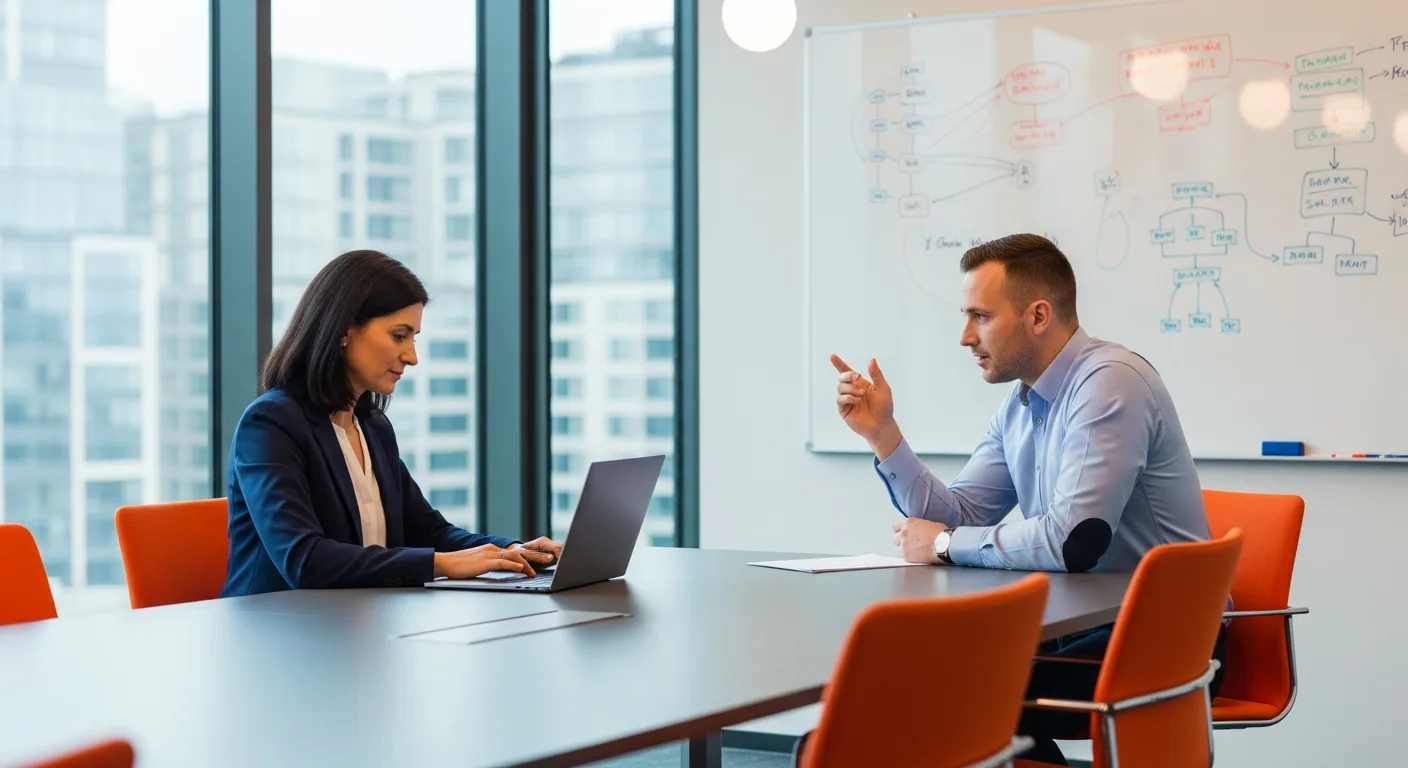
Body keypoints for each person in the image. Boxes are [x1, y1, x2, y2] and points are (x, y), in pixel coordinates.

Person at [830, 233, 1224, 765]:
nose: (965, 337)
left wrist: (944, 544)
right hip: (1078, 624)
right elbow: (963, 514)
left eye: (980, 316)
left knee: (970, 689)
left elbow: (1072, 542)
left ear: (1038, 316)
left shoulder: (1110, 383)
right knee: (932, 673)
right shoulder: (1021, 404)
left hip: (1167, 635)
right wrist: (884, 435)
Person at [221, 250, 560, 597]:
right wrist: (441, 564)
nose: (412, 356)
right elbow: (304, 560)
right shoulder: (270, 424)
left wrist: (511, 552)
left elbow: (428, 531)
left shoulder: (373, 427)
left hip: (356, 618)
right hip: (274, 621)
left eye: (413, 338)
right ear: (343, 330)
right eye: (399, 336)